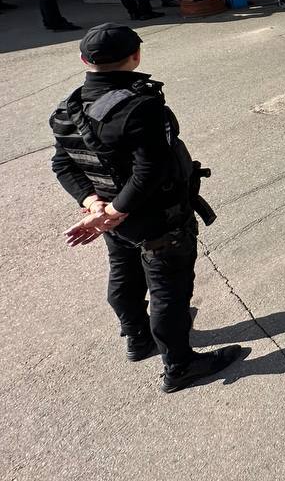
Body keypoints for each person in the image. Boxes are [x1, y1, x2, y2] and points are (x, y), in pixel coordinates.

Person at [49, 23, 244, 392]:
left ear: (83, 60)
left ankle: (138, 338)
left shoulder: (66, 109)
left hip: (112, 218)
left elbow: (63, 164)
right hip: (154, 219)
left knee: (124, 273)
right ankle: (180, 365)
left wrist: (96, 205)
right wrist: (113, 210)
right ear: (136, 56)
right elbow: (150, 169)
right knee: (169, 289)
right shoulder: (139, 105)